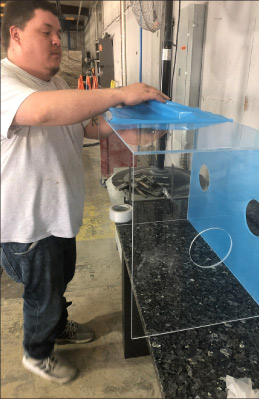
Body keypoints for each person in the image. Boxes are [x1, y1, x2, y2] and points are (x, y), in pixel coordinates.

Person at [0, 0, 169, 384]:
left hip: (59, 212)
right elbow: (42, 112)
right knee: (41, 295)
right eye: (47, 32)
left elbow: (83, 127)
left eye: (59, 33)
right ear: (16, 34)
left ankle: (56, 326)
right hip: (29, 224)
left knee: (59, 281)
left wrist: (128, 133)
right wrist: (119, 94)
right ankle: (37, 353)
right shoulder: (6, 82)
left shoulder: (55, 82)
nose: (58, 40)